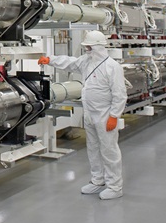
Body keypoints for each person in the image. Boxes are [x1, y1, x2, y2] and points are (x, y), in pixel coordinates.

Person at [38, 30, 127, 200]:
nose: (86, 49)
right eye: (86, 47)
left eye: (89, 47)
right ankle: (97, 180)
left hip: (105, 114)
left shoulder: (112, 67)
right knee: (93, 148)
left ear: (99, 47)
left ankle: (115, 186)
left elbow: (120, 94)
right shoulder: (87, 61)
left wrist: (114, 116)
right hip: (90, 113)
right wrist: (50, 60)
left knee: (109, 150)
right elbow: (70, 63)